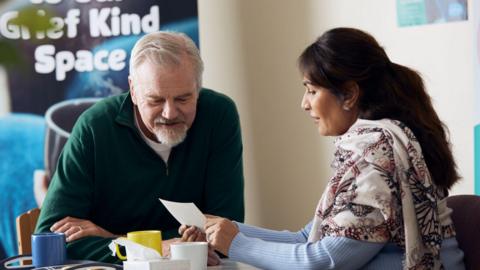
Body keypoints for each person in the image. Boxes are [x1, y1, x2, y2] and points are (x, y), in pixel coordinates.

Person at [181, 28, 466, 269]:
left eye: (312, 90)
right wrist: (222, 228)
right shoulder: (375, 145)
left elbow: (323, 260)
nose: (304, 104)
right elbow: (308, 237)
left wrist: (235, 243)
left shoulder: (377, 154)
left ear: (350, 94)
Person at [35, 31, 245, 264]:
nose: (169, 113)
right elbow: (51, 239)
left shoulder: (219, 115)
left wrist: (118, 241)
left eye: (183, 99)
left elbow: (227, 234)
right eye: (155, 100)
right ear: (133, 90)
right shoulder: (94, 127)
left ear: (198, 88)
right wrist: (162, 248)